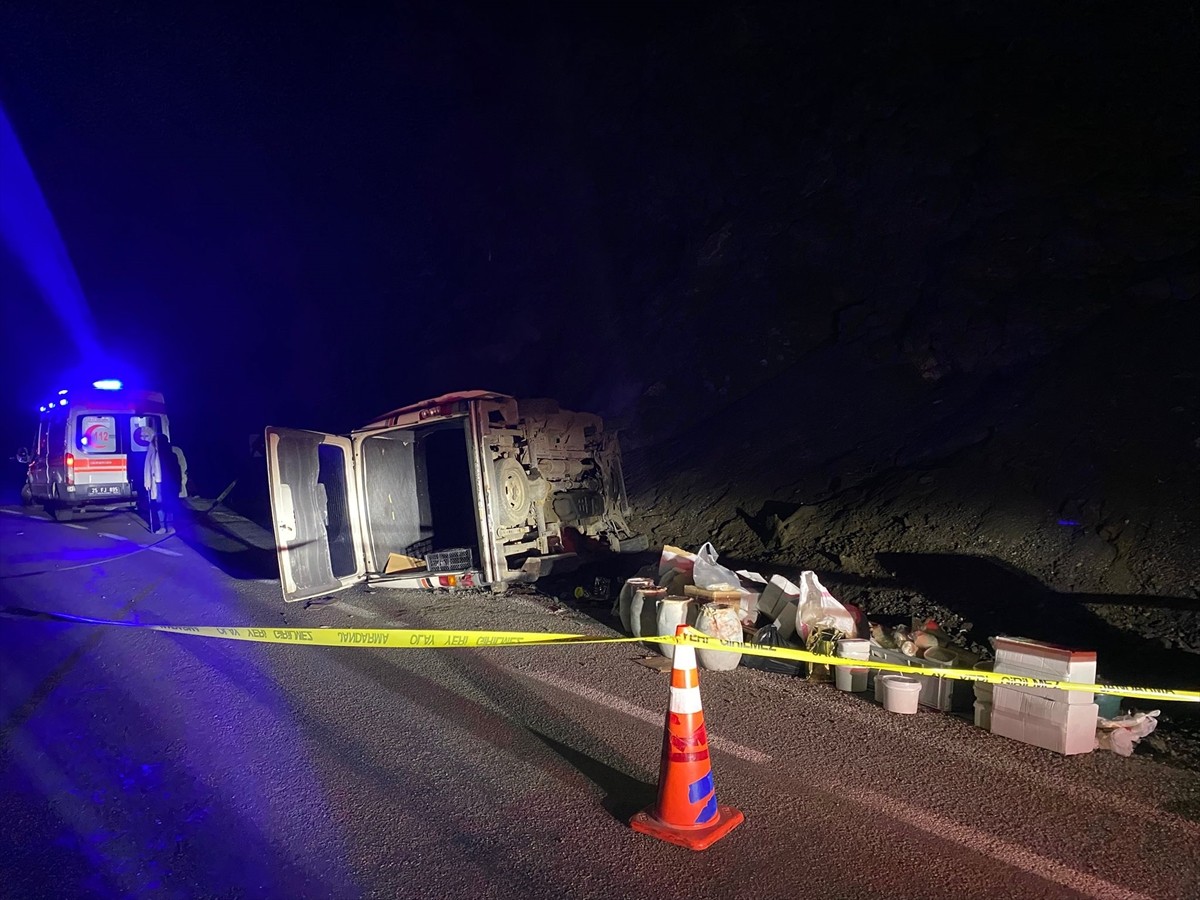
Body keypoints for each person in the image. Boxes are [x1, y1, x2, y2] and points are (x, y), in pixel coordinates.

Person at [143, 428, 182, 533]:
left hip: (168, 483)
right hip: (157, 483)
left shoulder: (171, 455)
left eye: (158, 441)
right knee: (159, 504)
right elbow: (147, 468)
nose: (156, 443)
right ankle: (161, 527)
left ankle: (169, 526)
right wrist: (147, 482)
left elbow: (177, 471)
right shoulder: (152, 453)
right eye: (155, 441)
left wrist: (179, 485)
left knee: (168, 504)